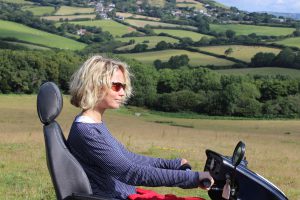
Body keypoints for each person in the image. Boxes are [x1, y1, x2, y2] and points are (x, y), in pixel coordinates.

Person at [67, 55, 214, 200]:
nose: (123, 93)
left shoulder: (94, 125)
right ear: (95, 85)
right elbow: (130, 172)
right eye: (116, 86)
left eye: (123, 87)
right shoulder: (87, 132)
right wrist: (194, 177)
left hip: (124, 193)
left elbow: (129, 158)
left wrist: (173, 164)